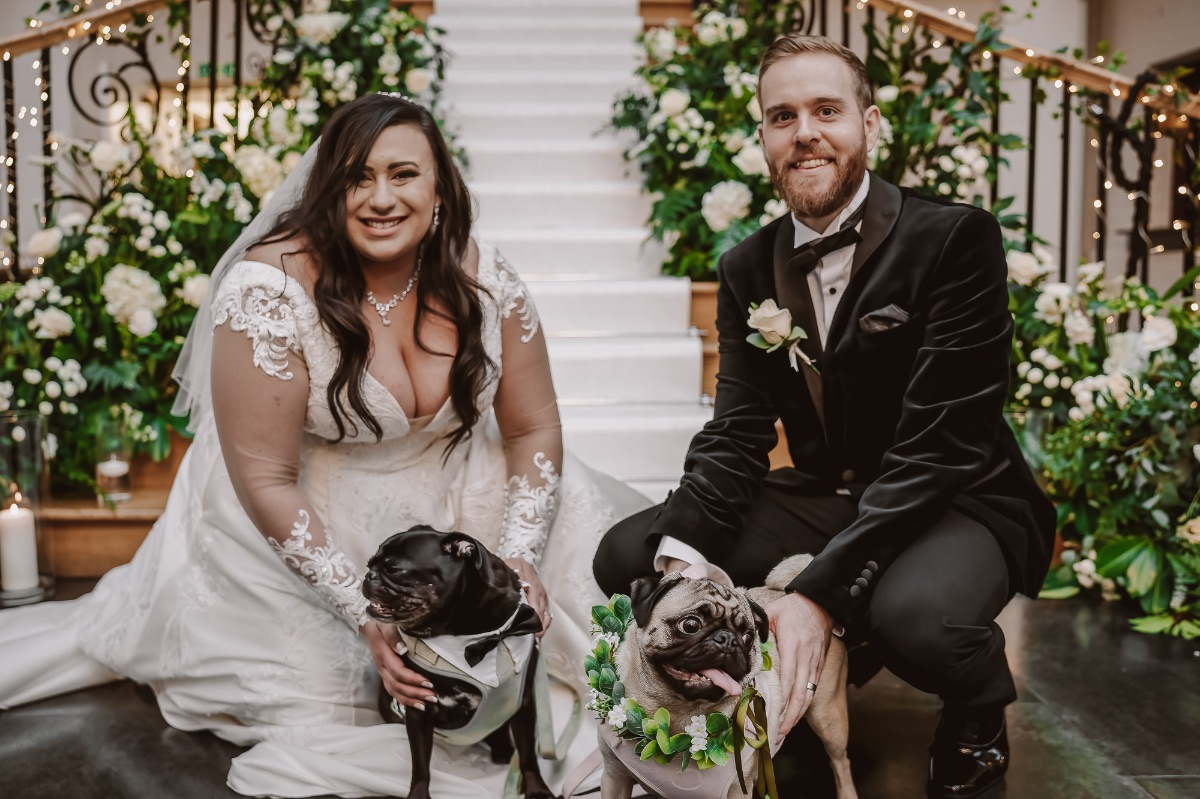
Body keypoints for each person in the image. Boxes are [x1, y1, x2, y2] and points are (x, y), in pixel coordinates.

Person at [0, 94, 649, 797]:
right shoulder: (269, 288)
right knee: (329, 701)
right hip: (296, 511)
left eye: (403, 174)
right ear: (327, 190)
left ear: (439, 191)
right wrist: (366, 613)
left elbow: (532, 426)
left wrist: (520, 552)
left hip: (455, 484)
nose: (379, 197)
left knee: (600, 620)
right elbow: (267, 478)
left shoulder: (484, 275)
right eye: (355, 177)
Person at [593, 34, 1056, 798]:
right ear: (765, 138)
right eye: (783, 116)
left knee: (919, 616)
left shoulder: (955, 238)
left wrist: (816, 594)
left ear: (869, 126)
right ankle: (794, 666)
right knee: (630, 555)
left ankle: (974, 712)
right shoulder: (747, 267)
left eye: (826, 110)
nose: (804, 131)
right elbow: (738, 430)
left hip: (956, 493)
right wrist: (682, 560)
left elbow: (943, 443)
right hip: (829, 493)